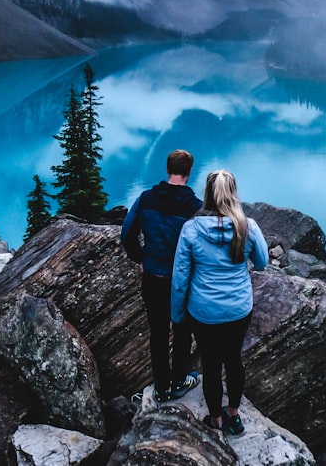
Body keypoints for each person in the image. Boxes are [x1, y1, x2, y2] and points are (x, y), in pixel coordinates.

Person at [171, 169, 268, 437]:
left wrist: (177, 314)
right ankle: (234, 416)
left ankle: (215, 419)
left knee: (211, 365)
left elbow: (180, 278)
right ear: (233, 194)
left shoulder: (191, 229)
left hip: (203, 312)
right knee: (234, 359)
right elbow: (261, 262)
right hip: (238, 310)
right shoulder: (247, 227)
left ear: (207, 195)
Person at [121, 149, 203, 402]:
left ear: (168, 170)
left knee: (157, 332)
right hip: (181, 280)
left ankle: (161, 387)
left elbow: (127, 233)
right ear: (189, 173)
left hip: (153, 276)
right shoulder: (195, 207)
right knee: (182, 330)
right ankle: (179, 381)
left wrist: (141, 257)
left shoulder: (146, 199)